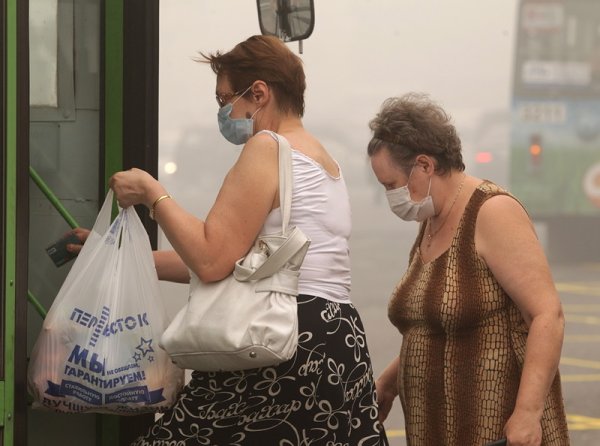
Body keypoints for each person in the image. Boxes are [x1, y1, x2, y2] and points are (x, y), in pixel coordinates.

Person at [71, 35, 388, 445]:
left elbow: (210, 260)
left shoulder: (267, 148)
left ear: (258, 93)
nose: (223, 112)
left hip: (277, 342)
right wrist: (118, 257)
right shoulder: (321, 160)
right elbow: (241, 260)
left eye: (225, 99)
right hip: (334, 340)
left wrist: (153, 193)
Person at [367, 93, 569, 446]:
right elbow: (437, 323)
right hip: (434, 430)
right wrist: (389, 382)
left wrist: (527, 413)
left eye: (391, 185)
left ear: (425, 166)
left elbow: (547, 315)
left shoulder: (492, 212)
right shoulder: (430, 220)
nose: (390, 196)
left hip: (495, 432)